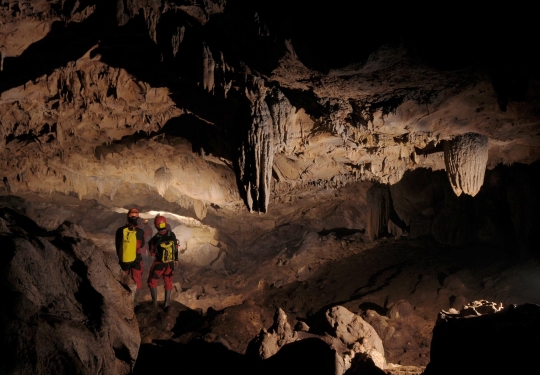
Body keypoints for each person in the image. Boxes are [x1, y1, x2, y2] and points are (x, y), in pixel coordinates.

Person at [147, 215, 179, 311]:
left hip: (159, 264)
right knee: (168, 281)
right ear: (165, 223)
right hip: (170, 263)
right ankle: (166, 303)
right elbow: (176, 248)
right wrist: (176, 259)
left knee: (152, 281)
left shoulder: (154, 239)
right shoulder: (172, 235)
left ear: (156, 225)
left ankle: (154, 303)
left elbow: (152, 254)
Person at [115, 208, 145, 306]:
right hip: (136, 259)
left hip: (124, 259)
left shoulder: (120, 231)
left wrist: (121, 257)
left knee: (123, 278)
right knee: (137, 280)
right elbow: (141, 245)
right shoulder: (140, 232)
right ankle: (135, 302)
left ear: (128, 218)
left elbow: (118, 245)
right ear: (138, 218)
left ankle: (122, 300)